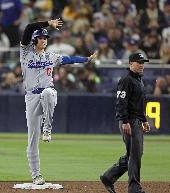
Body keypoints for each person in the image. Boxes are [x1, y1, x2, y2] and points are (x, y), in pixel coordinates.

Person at [20, 18, 97, 185]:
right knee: (32, 140)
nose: (44, 40)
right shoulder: (26, 52)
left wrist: (86, 59)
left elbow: (69, 59)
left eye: (46, 38)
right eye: (41, 37)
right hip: (31, 97)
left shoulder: (51, 56)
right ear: (35, 40)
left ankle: (47, 127)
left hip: (47, 94)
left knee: (48, 92)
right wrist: (47, 23)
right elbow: (28, 27)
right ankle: (36, 175)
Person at [100, 53, 151, 193]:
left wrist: (144, 120)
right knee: (135, 155)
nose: (141, 64)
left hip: (136, 120)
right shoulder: (126, 80)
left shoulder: (139, 80)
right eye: (138, 62)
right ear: (130, 64)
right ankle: (134, 188)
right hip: (129, 121)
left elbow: (139, 104)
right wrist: (124, 121)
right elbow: (121, 102)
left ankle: (108, 177)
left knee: (134, 154)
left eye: (143, 62)